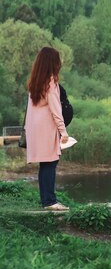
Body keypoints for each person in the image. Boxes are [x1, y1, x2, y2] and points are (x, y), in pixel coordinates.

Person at [25, 47, 70, 211]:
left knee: (45, 163)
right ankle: (50, 201)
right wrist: (63, 131)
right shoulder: (50, 81)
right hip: (46, 127)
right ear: (53, 62)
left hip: (34, 127)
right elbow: (55, 109)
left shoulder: (35, 81)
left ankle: (47, 200)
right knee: (51, 162)